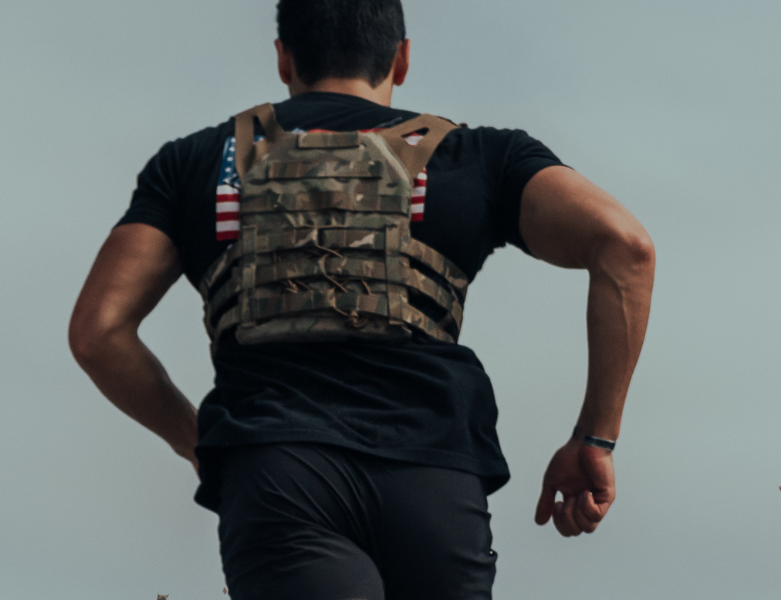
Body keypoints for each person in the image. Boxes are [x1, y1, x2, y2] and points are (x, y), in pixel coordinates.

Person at [68, 0, 655, 598]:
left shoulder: (193, 164)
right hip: (434, 481)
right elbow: (626, 247)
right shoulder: (478, 157)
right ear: (401, 57)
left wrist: (195, 439)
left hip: (278, 472)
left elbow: (99, 332)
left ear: (283, 58)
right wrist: (594, 438)